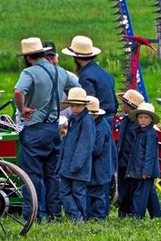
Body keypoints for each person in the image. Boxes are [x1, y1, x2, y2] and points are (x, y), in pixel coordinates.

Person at [13, 37, 80, 222]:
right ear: (43, 53)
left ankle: (34, 214)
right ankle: (55, 214)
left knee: (32, 174)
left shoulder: (29, 72)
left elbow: (18, 92)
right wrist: (58, 104)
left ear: (27, 57)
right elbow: (77, 89)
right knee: (52, 174)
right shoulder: (60, 72)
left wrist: (22, 109)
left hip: (34, 129)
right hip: (53, 129)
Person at [116, 90, 161, 218]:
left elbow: (146, 151)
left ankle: (137, 214)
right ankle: (154, 215)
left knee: (140, 191)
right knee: (135, 189)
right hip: (125, 160)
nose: (122, 106)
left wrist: (144, 168)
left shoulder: (142, 128)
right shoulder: (126, 120)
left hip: (135, 163)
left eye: (124, 103)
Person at [58, 88, 95, 221]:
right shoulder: (73, 119)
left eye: (78, 105)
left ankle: (80, 217)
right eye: (72, 105)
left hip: (77, 166)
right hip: (67, 164)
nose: (74, 108)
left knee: (78, 193)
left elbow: (85, 145)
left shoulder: (87, 121)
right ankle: (75, 216)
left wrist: (76, 165)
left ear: (84, 105)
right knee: (64, 191)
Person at [62, 35, 118, 125]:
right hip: (110, 119)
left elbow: (88, 104)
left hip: (97, 121)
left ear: (75, 58)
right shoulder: (105, 74)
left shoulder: (86, 77)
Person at [125, 102, 161, 219]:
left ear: (151, 120)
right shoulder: (140, 132)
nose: (143, 120)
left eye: (146, 118)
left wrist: (146, 171)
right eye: (140, 117)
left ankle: (137, 216)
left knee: (140, 194)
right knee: (150, 193)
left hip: (145, 171)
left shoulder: (150, 134)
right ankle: (156, 215)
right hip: (139, 168)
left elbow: (150, 154)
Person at [86, 96, 117, 220]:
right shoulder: (99, 123)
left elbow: (96, 149)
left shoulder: (100, 127)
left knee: (99, 193)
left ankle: (100, 217)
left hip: (101, 166)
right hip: (101, 165)